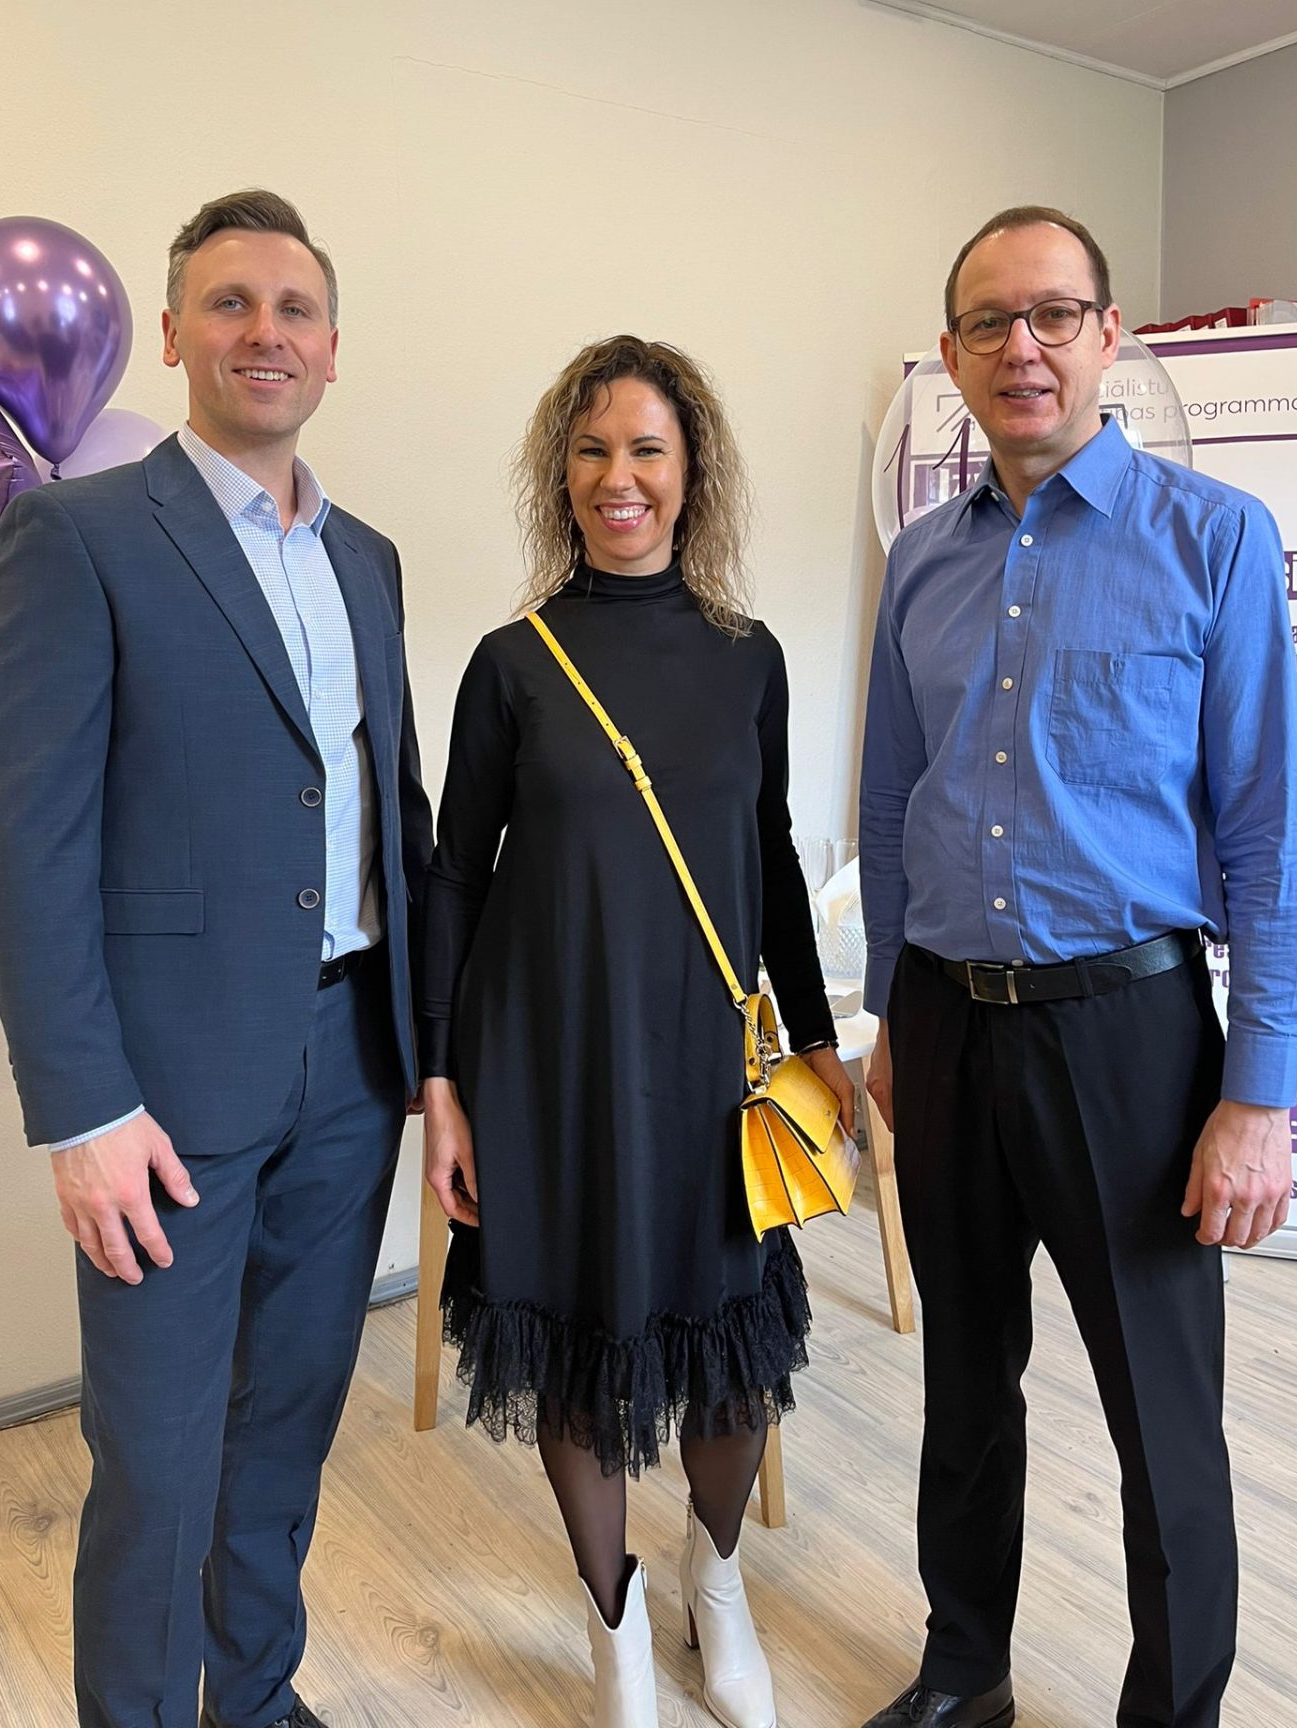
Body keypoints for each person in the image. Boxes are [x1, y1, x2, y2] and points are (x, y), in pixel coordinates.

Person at [0, 189, 433, 1728]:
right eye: (229, 304)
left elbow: (395, 817)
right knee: (157, 1461)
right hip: (162, 1097)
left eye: (294, 309)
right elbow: (25, 838)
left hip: (352, 1070)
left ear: (334, 346)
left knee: (287, 1426)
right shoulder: (79, 534)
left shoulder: (368, 559)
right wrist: (82, 1111)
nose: (265, 332)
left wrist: (432, 1057)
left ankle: (257, 1696)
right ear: (171, 335)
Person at [857, 206, 1297, 1728]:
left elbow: (1267, 837)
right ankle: (964, 1672)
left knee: (1161, 1419)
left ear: (1109, 336)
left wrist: (1260, 1094)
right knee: (963, 1387)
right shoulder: (919, 563)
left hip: (1128, 1032)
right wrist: (891, 1015)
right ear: (952, 355)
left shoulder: (1213, 540)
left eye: (1054, 314)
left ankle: (1172, 1709)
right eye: (990, 322)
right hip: (947, 1020)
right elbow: (892, 801)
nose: (1024, 347)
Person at [419, 335, 852, 1728]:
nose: (620, 476)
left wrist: (819, 1038)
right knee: (576, 1342)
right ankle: (612, 1627)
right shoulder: (513, 664)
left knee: (731, 1348)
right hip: (542, 1064)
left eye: (647, 449)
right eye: (593, 449)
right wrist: (442, 1077)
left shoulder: (748, 660)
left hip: (702, 1062)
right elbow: (454, 877)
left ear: (691, 472)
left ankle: (714, 1580)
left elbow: (770, 856)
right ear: (562, 474)